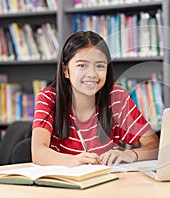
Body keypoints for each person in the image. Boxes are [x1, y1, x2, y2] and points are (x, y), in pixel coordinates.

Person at [32, 31, 159, 167]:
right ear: (65, 71)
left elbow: (155, 146)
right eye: (82, 65)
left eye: (100, 66)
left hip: (107, 184)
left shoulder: (116, 97)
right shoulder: (49, 98)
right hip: (64, 184)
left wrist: (129, 154)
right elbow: (38, 152)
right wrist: (75, 161)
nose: (92, 74)